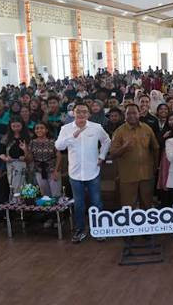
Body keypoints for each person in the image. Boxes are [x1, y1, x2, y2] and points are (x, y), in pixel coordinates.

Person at [55, 102, 111, 244]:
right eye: (78, 111)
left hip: (93, 171)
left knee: (96, 202)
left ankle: (99, 230)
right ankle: (80, 230)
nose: (81, 114)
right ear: (73, 113)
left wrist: (102, 156)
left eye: (84, 112)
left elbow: (106, 141)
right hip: (75, 173)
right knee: (79, 204)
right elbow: (58, 145)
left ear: (88, 114)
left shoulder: (96, 127)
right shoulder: (66, 128)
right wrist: (73, 136)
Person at [110, 104, 160, 210]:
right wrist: (124, 147)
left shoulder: (147, 129)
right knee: (128, 208)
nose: (132, 116)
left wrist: (155, 166)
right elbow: (113, 154)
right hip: (127, 176)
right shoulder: (119, 131)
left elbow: (155, 148)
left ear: (139, 114)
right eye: (129, 113)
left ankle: (146, 226)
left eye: (134, 113)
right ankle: (129, 226)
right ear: (125, 115)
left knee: (147, 205)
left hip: (146, 175)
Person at [24, 122, 62, 228]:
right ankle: (49, 218)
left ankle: (58, 218)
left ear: (46, 130)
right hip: (39, 171)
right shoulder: (32, 142)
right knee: (46, 196)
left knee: (56, 195)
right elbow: (29, 159)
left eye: (41, 128)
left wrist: (56, 171)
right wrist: (25, 150)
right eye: (37, 128)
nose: (39, 130)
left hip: (52, 170)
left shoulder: (53, 141)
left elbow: (59, 156)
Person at [0, 118, 30, 199]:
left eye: (18, 126)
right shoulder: (6, 137)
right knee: (14, 186)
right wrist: (5, 158)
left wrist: (25, 151)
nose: (16, 128)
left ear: (22, 126)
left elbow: (30, 156)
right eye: (13, 126)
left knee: (26, 186)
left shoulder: (27, 136)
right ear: (10, 126)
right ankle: (15, 205)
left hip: (25, 165)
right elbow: (0, 153)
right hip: (11, 165)